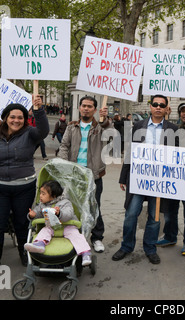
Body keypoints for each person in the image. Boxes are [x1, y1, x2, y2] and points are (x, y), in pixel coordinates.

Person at [0, 97, 49, 278]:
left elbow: (43, 131)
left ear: (25, 119)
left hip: (24, 187)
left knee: (22, 223)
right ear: (6, 118)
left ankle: (25, 255)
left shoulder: (30, 134)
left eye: (20, 117)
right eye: (12, 117)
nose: (16, 120)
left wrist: (38, 110)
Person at [113, 94, 178, 265]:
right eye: (155, 104)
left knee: (154, 217)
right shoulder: (138, 126)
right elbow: (130, 152)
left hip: (159, 182)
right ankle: (126, 246)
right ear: (150, 106)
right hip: (138, 179)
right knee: (131, 214)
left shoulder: (174, 129)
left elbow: (177, 157)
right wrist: (123, 176)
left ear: (166, 109)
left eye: (161, 105)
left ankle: (150, 248)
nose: (158, 107)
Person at [57, 96, 112, 253]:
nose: (86, 108)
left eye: (90, 106)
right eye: (84, 106)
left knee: (94, 208)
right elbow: (64, 146)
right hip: (73, 176)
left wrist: (105, 119)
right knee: (71, 207)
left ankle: (96, 238)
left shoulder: (100, 127)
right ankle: (74, 236)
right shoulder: (71, 127)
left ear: (95, 110)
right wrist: (64, 165)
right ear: (79, 108)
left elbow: (111, 135)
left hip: (93, 176)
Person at [156, 102, 185, 255]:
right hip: (174, 177)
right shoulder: (177, 129)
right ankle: (170, 236)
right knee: (169, 211)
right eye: (182, 111)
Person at [24, 180, 92, 266]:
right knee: (44, 231)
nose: (40, 196)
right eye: (40, 193)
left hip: (67, 226)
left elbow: (69, 215)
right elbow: (37, 212)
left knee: (76, 236)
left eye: (43, 194)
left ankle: (85, 253)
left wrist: (59, 213)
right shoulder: (42, 205)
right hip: (51, 227)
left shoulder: (65, 203)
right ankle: (39, 245)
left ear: (53, 195)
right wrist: (32, 215)